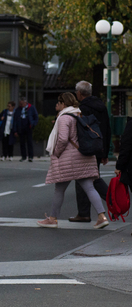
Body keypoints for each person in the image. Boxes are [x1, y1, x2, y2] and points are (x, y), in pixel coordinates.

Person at [37, 92, 109, 229]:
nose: (56, 105)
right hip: (83, 156)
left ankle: (52, 219)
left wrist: (56, 152)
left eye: (58, 102)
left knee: (59, 189)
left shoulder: (64, 118)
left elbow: (63, 138)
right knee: (89, 187)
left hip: (69, 158)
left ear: (64, 104)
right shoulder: (79, 114)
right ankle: (102, 216)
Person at [68, 80, 112, 223]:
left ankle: (87, 211)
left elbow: (80, 130)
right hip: (98, 146)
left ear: (80, 93)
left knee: (86, 177)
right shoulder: (101, 107)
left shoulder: (82, 109)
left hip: (86, 148)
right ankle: (88, 210)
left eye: (76, 92)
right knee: (91, 176)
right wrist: (104, 152)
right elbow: (106, 128)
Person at [12, 97, 38, 162]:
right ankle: (23, 156)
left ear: (25, 102)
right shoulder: (18, 109)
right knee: (22, 142)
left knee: (29, 142)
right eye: (20, 103)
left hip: (28, 127)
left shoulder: (31, 108)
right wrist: (15, 130)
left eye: (22, 103)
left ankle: (30, 156)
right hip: (21, 127)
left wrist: (33, 124)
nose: (21, 104)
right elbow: (15, 120)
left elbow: (36, 116)